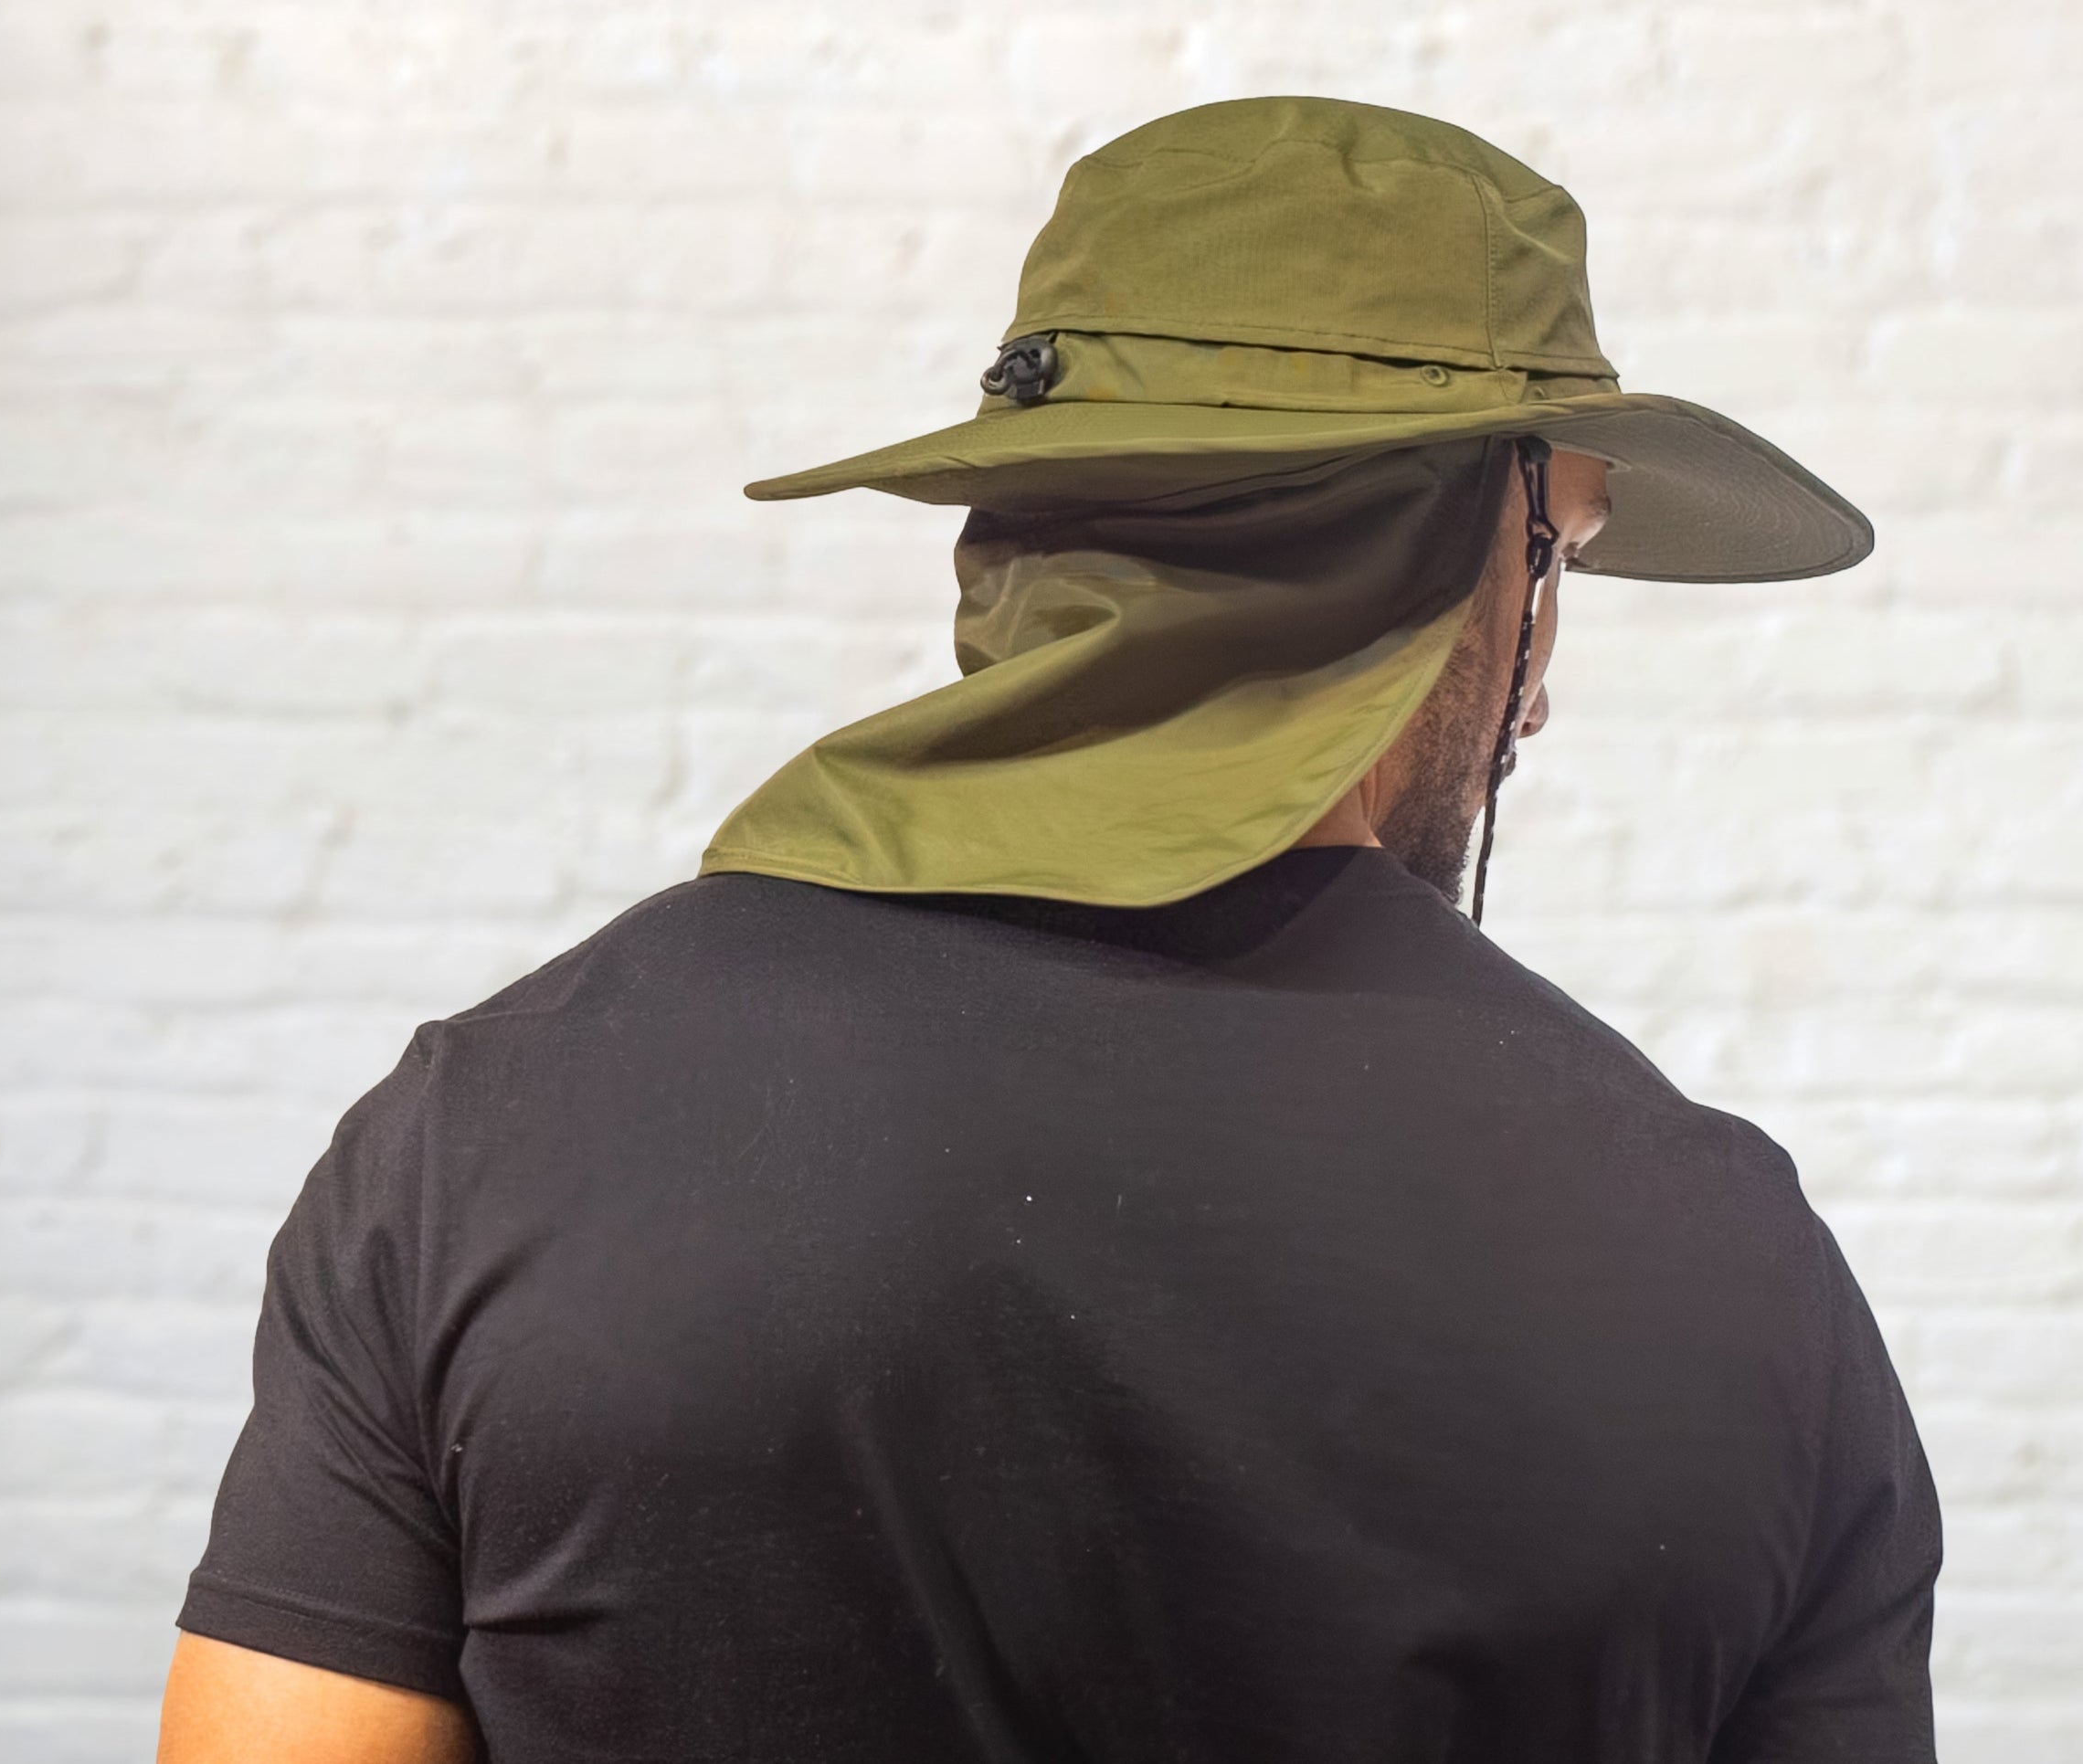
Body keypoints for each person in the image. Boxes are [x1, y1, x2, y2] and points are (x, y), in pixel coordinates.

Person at [159, 97, 1938, 1763]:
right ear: (1461, 551)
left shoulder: (489, 1133)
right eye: (1560, 551)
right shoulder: (1726, 1257)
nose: (1537, 691)